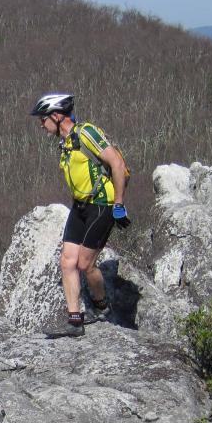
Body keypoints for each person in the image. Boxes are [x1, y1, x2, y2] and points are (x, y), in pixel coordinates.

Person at [29, 93, 129, 338]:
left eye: (43, 120)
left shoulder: (86, 133)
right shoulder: (65, 142)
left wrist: (118, 203)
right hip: (81, 206)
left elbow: (116, 164)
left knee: (85, 264)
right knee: (67, 261)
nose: (41, 125)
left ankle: (101, 304)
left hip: (102, 203)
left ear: (56, 115)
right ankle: (75, 321)